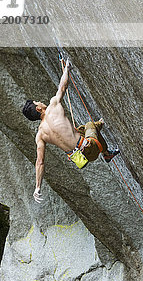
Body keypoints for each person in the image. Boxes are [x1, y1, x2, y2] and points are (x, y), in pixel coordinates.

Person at [22, 58, 119, 203]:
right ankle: (106, 153)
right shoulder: (53, 106)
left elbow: (40, 162)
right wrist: (66, 68)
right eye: (37, 102)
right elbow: (62, 87)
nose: (39, 101)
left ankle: (102, 149)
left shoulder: (40, 135)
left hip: (81, 158)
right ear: (38, 108)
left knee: (79, 130)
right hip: (90, 148)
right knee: (90, 125)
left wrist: (37, 187)